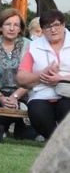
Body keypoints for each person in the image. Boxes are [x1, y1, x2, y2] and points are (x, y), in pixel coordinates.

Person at [16, 10, 70, 140]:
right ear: (42, 29)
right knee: (37, 111)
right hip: (42, 94)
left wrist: (60, 79)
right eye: (47, 26)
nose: (53, 30)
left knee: (66, 107)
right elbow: (21, 78)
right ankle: (57, 143)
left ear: (64, 25)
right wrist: (43, 74)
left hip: (68, 92)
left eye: (56, 25)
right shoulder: (34, 46)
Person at [0, 8, 35, 140]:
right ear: (0, 27)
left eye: (16, 25)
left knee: (25, 137)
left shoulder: (30, 46)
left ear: (20, 28)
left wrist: (15, 97)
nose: (11, 28)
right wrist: (1, 98)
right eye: (7, 24)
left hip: (24, 95)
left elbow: (32, 77)